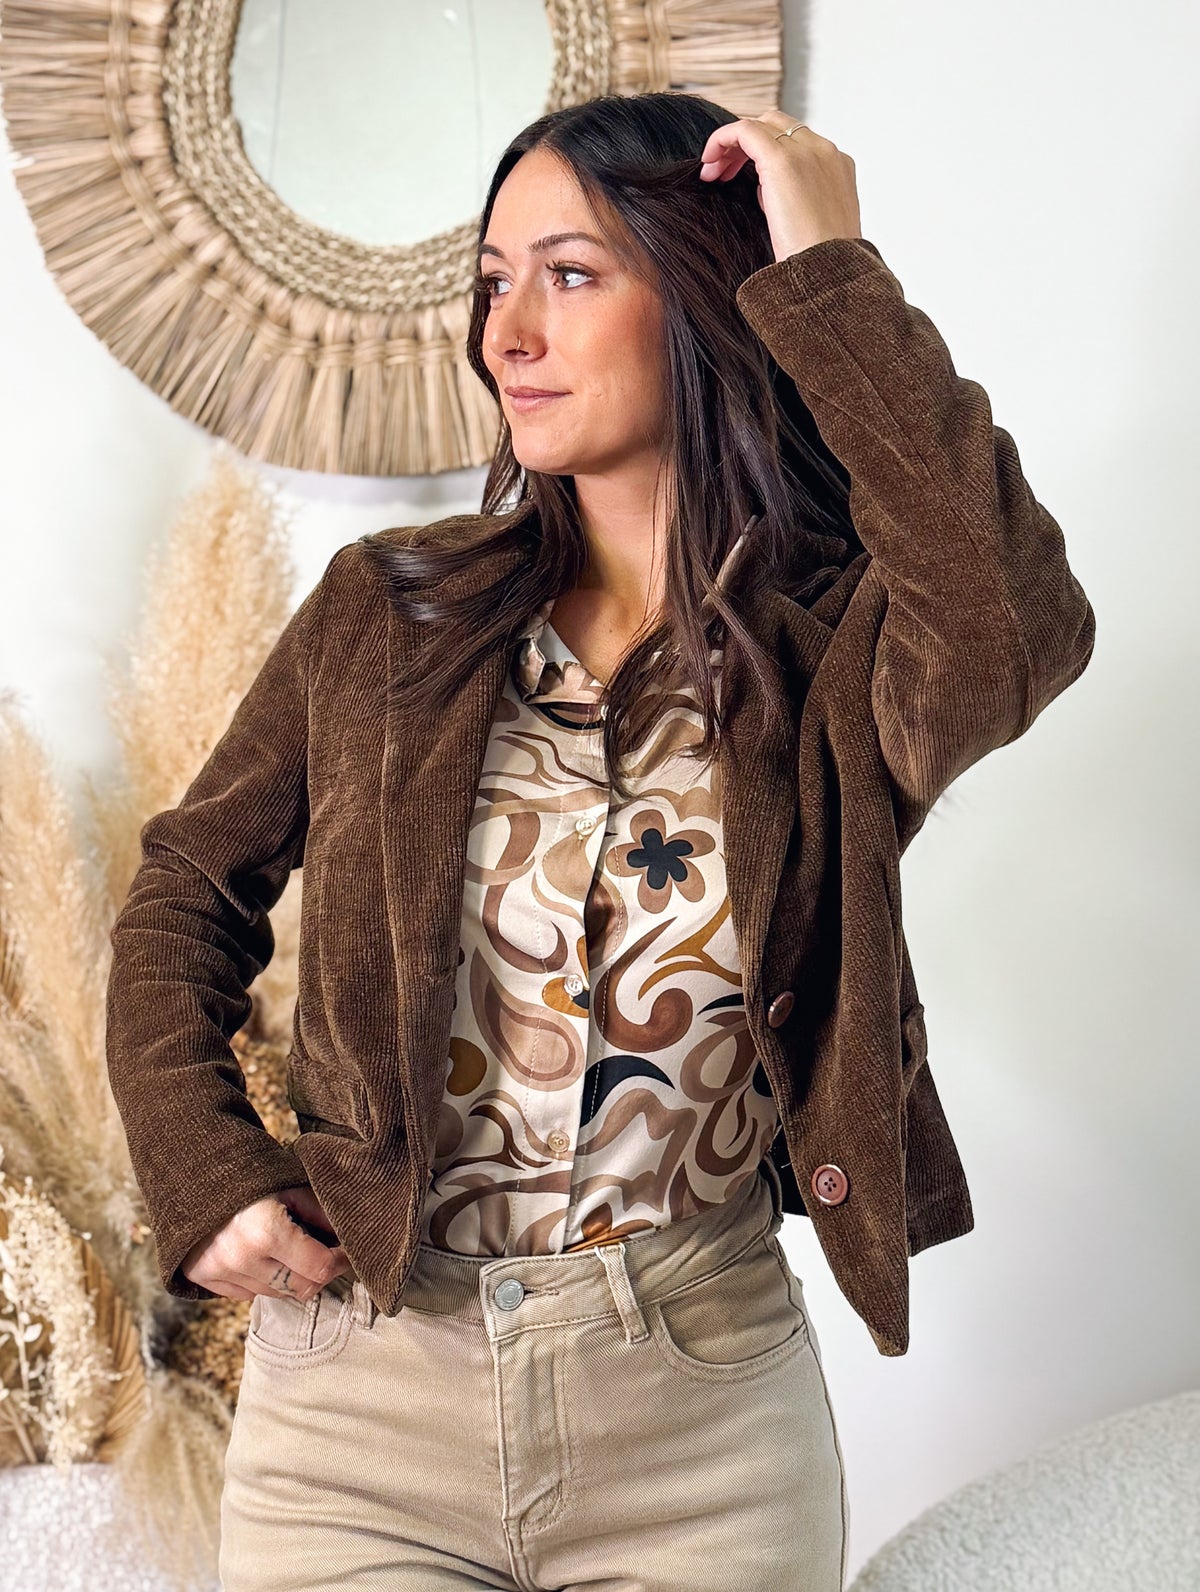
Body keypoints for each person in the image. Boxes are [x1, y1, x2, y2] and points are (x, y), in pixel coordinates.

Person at [105, 93, 1096, 1591]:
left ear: (704, 297)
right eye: (493, 282)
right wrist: (205, 1167)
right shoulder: (392, 612)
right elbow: (189, 890)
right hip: (362, 1408)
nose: (508, 333)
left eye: (569, 276)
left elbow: (1017, 622)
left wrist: (829, 271)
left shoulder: (838, 649)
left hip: (697, 1418)